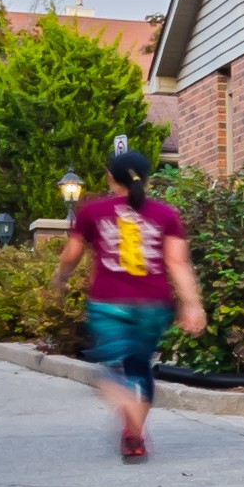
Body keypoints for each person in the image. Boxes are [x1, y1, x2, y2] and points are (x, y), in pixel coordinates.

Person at [68, 144, 205, 463]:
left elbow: (71, 255)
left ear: (109, 177)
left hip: (108, 303)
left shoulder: (91, 211)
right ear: (147, 178)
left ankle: (126, 403)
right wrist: (192, 304)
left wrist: (60, 277)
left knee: (113, 371)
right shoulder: (165, 213)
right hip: (154, 305)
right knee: (140, 366)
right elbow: (178, 263)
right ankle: (134, 436)